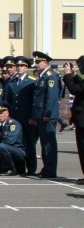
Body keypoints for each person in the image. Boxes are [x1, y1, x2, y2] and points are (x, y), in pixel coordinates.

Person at [29, 51, 62, 179]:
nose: (36, 64)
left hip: (47, 116)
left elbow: (51, 98)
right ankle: (46, 168)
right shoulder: (43, 76)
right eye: (36, 62)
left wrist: (48, 114)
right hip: (40, 115)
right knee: (44, 144)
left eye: (38, 62)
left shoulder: (51, 76)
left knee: (49, 144)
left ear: (46, 62)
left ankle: (50, 170)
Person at [62, 56, 84, 184]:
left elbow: (76, 89)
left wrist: (68, 75)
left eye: (80, 66)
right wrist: (74, 75)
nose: (80, 68)